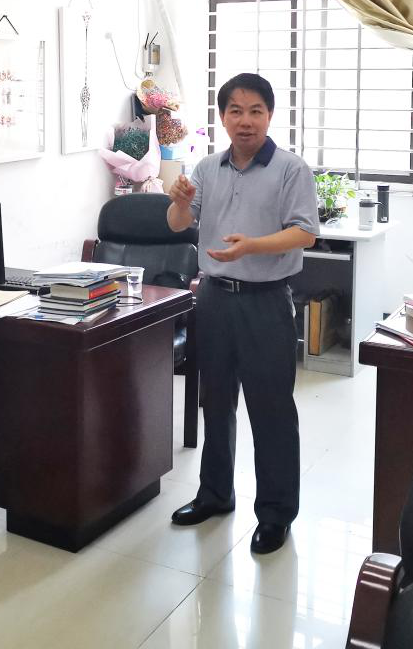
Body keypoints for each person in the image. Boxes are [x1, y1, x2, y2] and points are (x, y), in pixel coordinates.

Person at [165, 72, 319, 554]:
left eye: (255, 111)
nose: (245, 120)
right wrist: (180, 203)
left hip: (266, 300)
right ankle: (215, 493)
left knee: (271, 409)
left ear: (270, 116)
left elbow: (305, 233)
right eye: (236, 111)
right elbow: (179, 224)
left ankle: (275, 513)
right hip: (213, 296)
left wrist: (252, 245)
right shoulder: (208, 168)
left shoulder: (291, 169)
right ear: (223, 117)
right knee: (216, 401)